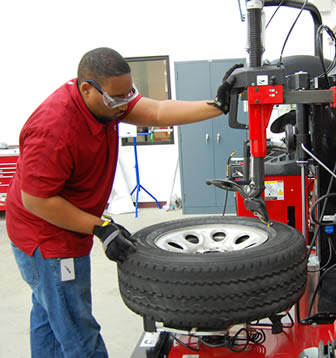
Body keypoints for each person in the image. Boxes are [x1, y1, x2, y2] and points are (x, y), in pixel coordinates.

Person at [5, 47, 241, 358]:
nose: (123, 106)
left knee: (49, 317)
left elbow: (157, 112)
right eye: (117, 98)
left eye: (127, 95)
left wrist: (218, 106)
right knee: (76, 327)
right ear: (87, 88)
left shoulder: (106, 103)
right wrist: (100, 226)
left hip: (63, 227)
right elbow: (37, 200)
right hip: (46, 238)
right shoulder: (53, 128)